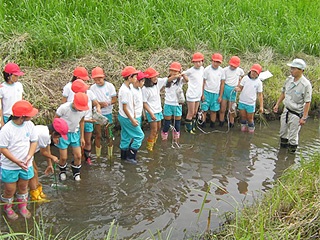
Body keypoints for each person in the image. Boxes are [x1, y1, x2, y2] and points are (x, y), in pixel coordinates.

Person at [0, 100, 38, 220]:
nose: (32, 116)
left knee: (23, 186)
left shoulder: (30, 125)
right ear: (22, 116)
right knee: (10, 189)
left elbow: (34, 141)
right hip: (10, 165)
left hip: (26, 164)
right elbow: (3, 148)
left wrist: (29, 156)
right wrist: (16, 161)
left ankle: (22, 206)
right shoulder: (7, 129)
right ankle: (8, 207)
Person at [273, 59, 312, 153]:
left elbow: (307, 102)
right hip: (286, 109)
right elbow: (284, 92)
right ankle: (281, 155)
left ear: (301, 70)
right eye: (291, 68)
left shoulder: (305, 85)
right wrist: (277, 104)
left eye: (294, 68)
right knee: (283, 133)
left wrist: (304, 117)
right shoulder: (289, 79)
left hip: (296, 113)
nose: (291, 70)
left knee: (293, 137)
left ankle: (290, 158)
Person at [30, 118, 69, 201]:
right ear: (54, 133)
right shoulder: (44, 134)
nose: (59, 138)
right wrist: (53, 157)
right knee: (33, 173)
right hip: (24, 152)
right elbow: (43, 152)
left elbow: (48, 150)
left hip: (29, 152)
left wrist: (50, 164)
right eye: (59, 136)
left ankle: (39, 191)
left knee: (35, 170)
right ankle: (35, 196)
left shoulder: (46, 131)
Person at [55, 92, 89, 181]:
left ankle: (76, 173)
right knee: (63, 157)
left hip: (75, 133)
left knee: (78, 156)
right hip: (63, 133)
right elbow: (55, 120)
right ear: (74, 102)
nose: (80, 110)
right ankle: (62, 171)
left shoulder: (84, 111)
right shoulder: (64, 108)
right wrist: (55, 135)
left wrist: (82, 137)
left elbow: (82, 122)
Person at [70, 79, 101, 165]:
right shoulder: (73, 98)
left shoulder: (89, 93)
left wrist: (98, 109)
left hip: (89, 120)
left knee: (87, 141)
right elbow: (73, 116)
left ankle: (88, 158)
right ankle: (78, 158)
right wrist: (87, 120)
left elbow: (96, 104)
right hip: (78, 123)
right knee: (78, 141)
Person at [118, 66, 144, 164]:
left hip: (124, 116)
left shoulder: (128, 88)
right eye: (135, 77)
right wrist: (132, 119)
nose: (136, 78)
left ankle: (123, 157)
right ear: (130, 78)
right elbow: (125, 108)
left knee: (125, 136)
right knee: (139, 136)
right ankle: (131, 156)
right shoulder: (124, 90)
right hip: (126, 117)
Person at [90, 67, 117, 159]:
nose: (98, 81)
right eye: (96, 80)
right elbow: (92, 102)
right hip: (97, 114)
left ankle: (110, 155)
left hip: (108, 112)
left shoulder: (110, 86)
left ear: (103, 77)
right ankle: (98, 155)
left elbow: (114, 100)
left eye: (99, 79)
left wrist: (108, 103)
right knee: (98, 134)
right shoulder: (92, 88)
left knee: (109, 134)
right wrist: (99, 104)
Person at [142, 67, 167, 151]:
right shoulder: (145, 89)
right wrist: (151, 113)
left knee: (159, 128)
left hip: (158, 110)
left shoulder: (156, 84)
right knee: (154, 130)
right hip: (151, 112)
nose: (156, 78)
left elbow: (167, 80)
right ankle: (149, 148)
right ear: (149, 79)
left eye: (156, 76)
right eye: (154, 77)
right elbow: (144, 103)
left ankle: (153, 143)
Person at [161, 62, 186, 143]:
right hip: (168, 103)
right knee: (167, 123)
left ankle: (176, 139)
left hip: (177, 104)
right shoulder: (166, 80)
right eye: (172, 71)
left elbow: (187, 80)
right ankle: (164, 138)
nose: (174, 72)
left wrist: (183, 75)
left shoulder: (180, 80)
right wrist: (174, 76)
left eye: (176, 71)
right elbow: (168, 80)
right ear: (169, 71)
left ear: (179, 71)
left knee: (177, 123)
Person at [235, 64, 264, 133]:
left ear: (258, 74)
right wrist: (237, 89)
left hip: (250, 103)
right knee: (243, 117)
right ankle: (243, 130)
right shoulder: (245, 78)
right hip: (242, 101)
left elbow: (260, 95)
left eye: (256, 72)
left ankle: (251, 132)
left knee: (250, 119)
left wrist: (261, 106)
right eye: (253, 71)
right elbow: (240, 88)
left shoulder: (259, 82)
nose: (253, 73)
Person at [200, 53, 225, 128]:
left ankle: (212, 125)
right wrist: (202, 94)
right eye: (214, 61)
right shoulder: (207, 69)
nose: (216, 63)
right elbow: (203, 82)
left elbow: (222, 84)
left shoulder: (222, 71)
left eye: (218, 62)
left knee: (214, 110)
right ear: (212, 61)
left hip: (216, 93)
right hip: (206, 92)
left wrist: (220, 96)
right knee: (204, 110)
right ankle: (203, 124)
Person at [182, 52, 204, 133]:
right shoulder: (191, 70)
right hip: (191, 94)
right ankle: (188, 128)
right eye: (196, 62)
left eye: (200, 61)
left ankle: (193, 126)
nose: (198, 63)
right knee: (191, 112)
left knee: (195, 112)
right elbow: (183, 73)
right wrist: (185, 78)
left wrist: (202, 93)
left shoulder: (202, 69)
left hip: (198, 94)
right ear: (193, 62)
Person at [219, 56, 244, 128]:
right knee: (222, 108)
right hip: (225, 88)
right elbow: (222, 81)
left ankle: (231, 123)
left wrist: (239, 85)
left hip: (233, 90)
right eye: (232, 65)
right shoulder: (225, 70)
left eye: (234, 66)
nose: (233, 67)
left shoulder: (240, 71)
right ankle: (221, 122)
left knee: (231, 109)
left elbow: (242, 77)